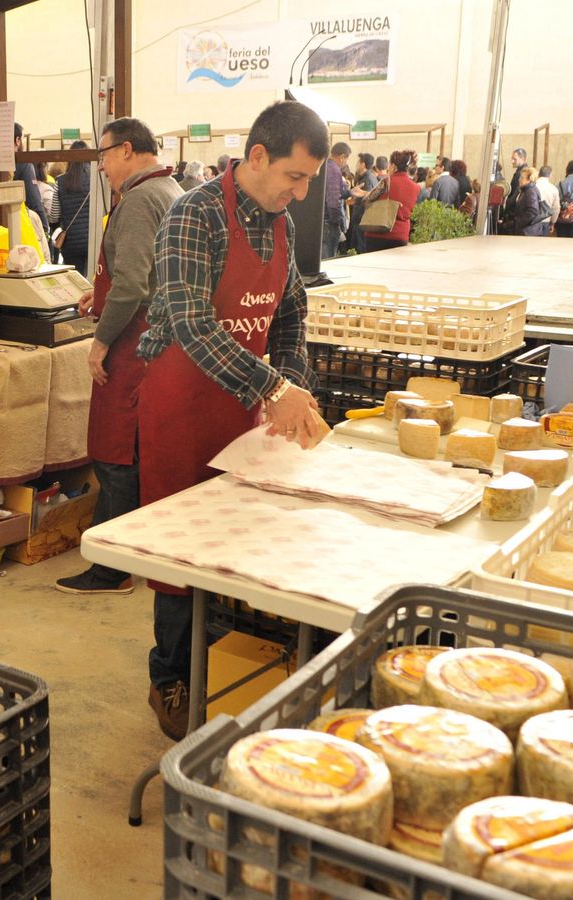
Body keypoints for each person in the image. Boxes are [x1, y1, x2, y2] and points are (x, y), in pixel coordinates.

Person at [137, 100, 328, 739]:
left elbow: (293, 312)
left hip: (241, 408)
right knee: (178, 553)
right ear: (256, 158)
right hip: (179, 407)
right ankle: (170, 677)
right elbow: (192, 321)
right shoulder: (193, 216)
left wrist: (293, 381)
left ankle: (214, 657)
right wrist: (273, 385)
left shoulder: (278, 222)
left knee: (230, 544)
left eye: (308, 181)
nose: (300, 193)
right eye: (293, 178)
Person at [55, 117, 183, 598]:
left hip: (134, 345)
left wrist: (102, 339)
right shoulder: (170, 190)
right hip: (158, 339)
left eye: (104, 155)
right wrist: (98, 296)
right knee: (132, 452)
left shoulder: (139, 200)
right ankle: (127, 555)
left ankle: (113, 568)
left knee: (116, 454)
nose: (102, 166)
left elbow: (132, 283)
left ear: (127, 150)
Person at [364, 150, 419, 251]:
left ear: (394, 166)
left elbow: (367, 199)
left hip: (378, 233)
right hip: (400, 236)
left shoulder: (386, 181)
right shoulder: (416, 187)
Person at [56, 141, 93, 273]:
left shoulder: (60, 181)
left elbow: (54, 215)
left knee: (75, 280)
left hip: (71, 243)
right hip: (93, 240)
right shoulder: (96, 180)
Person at [12, 122, 49, 228]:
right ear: (17, 140)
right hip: (22, 226)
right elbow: (34, 202)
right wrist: (45, 230)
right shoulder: (24, 164)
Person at [322, 141, 351, 260]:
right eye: (347, 159)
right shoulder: (334, 170)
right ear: (342, 157)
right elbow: (333, 200)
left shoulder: (324, 166)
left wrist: (350, 192)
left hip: (321, 221)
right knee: (328, 261)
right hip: (329, 223)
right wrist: (337, 223)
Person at [501, 166, 548, 236]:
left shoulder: (530, 192)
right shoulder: (526, 190)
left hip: (527, 232)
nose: (519, 180)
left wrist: (516, 223)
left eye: (522, 178)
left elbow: (532, 212)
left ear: (529, 179)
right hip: (526, 230)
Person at [500, 148, 529, 225]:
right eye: (512, 159)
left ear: (522, 159)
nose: (512, 161)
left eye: (514, 159)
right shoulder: (521, 172)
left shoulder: (521, 174)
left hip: (513, 213)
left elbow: (515, 194)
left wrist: (506, 212)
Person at [534, 165, 561, 236]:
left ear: (539, 173)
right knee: (542, 245)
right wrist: (552, 222)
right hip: (545, 222)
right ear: (550, 175)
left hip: (532, 222)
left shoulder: (532, 186)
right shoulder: (553, 189)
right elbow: (556, 208)